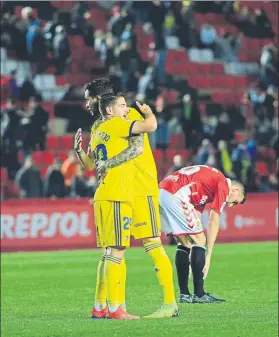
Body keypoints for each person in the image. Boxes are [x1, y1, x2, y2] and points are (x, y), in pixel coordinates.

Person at [75, 79, 178, 319]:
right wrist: (81, 152)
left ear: (99, 98)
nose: (86, 103)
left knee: (151, 246)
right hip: (121, 192)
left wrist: (107, 164)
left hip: (140, 188)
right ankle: (102, 306)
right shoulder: (101, 124)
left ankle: (169, 304)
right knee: (113, 249)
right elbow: (93, 163)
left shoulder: (126, 113)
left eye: (88, 97)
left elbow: (137, 148)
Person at [159, 165, 246, 303]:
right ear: (234, 189)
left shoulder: (208, 186)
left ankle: (185, 294)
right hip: (175, 194)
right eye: (235, 202)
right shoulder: (223, 183)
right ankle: (199, 294)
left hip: (163, 192)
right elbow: (213, 221)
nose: (230, 205)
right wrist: (209, 255)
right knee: (200, 240)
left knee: (185, 242)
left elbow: (196, 216)